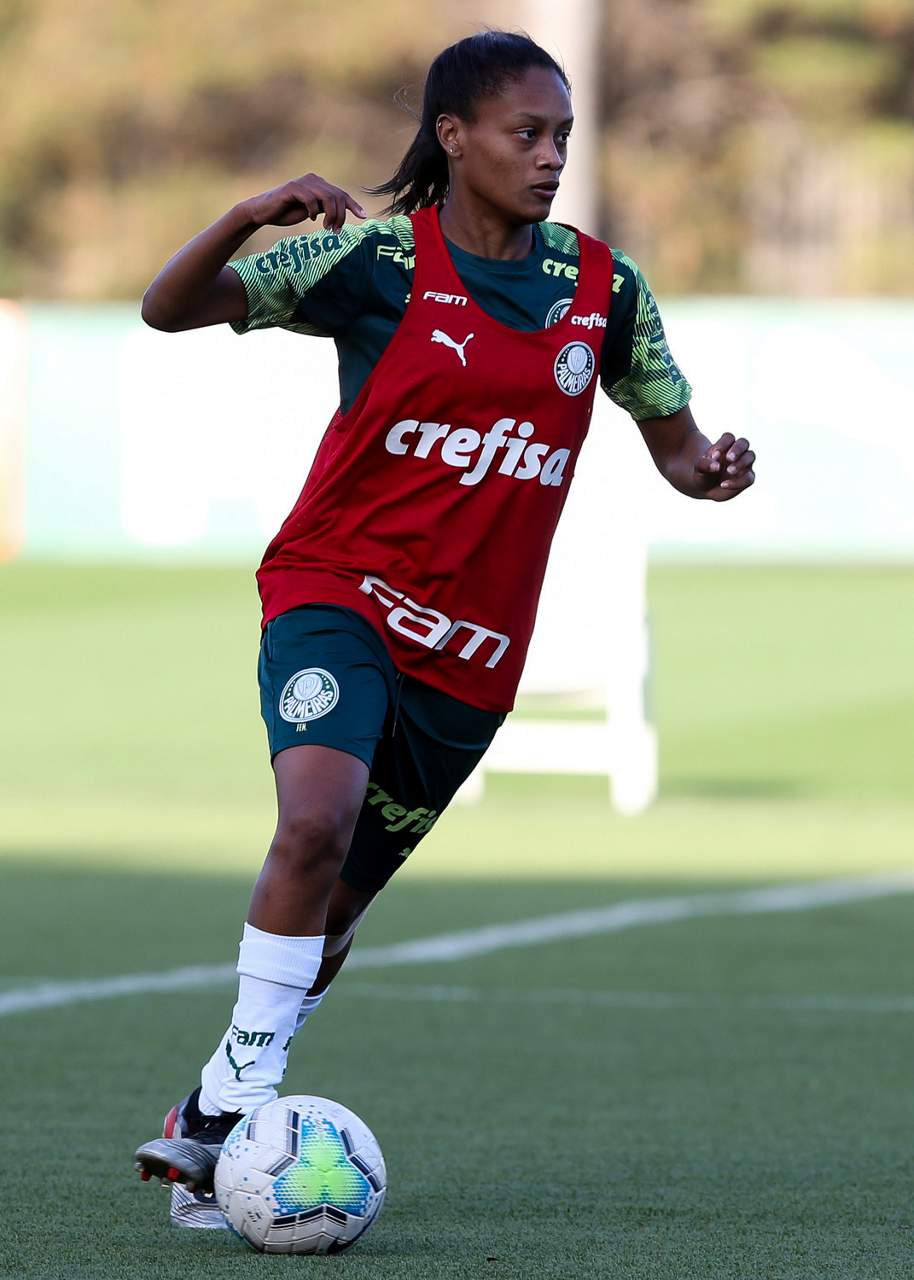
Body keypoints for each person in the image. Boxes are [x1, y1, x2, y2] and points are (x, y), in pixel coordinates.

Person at [133, 30, 756, 1227]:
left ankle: (210, 1101)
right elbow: (170, 310)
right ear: (454, 137)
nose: (551, 155)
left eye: (561, 134)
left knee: (337, 905)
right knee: (310, 823)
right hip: (338, 589)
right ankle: (236, 1111)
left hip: (471, 655)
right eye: (527, 133)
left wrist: (711, 469)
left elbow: (677, 449)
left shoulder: (602, 290)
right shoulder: (374, 259)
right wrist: (247, 216)